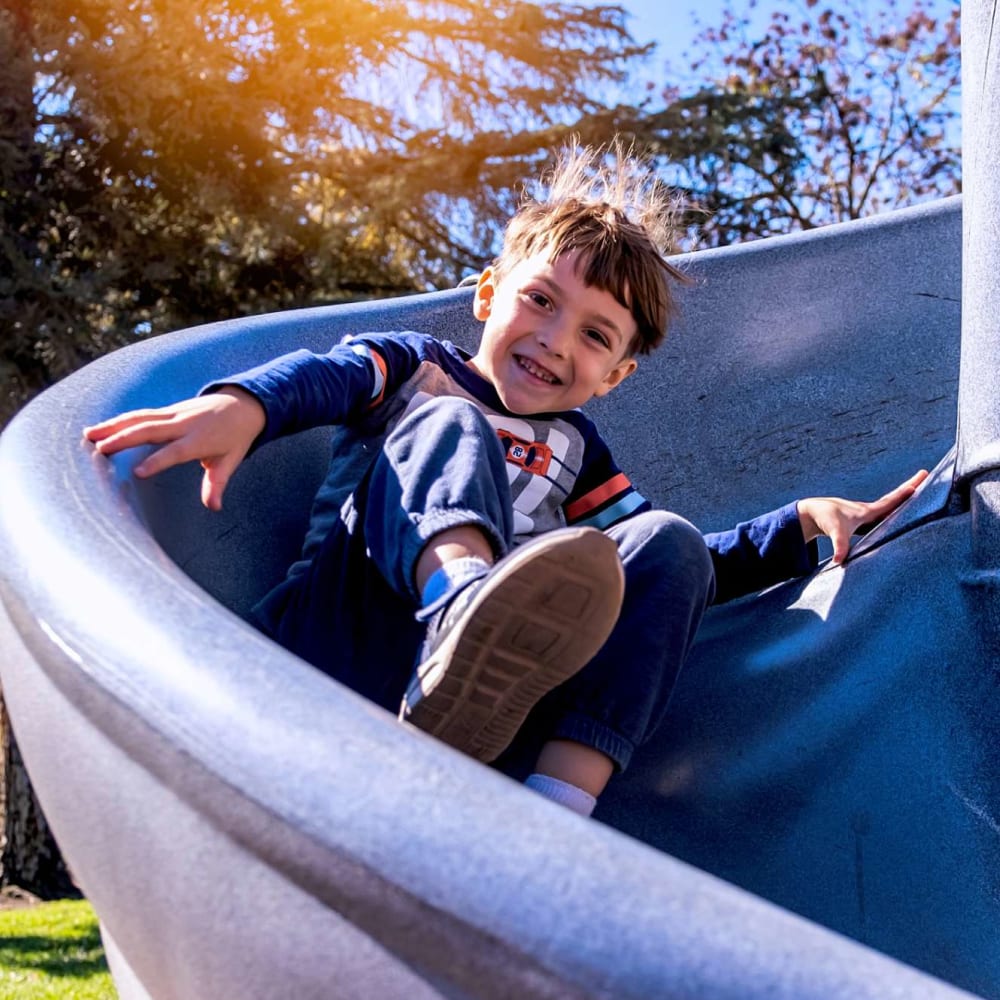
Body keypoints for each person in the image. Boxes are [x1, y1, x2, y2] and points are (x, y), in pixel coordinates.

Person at [84, 142, 927, 818]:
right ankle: (461, 603)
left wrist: (801, 524)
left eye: (597, 337)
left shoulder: (578, 453)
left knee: (662, 541)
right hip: (337, 650)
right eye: (540, 301)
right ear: (487, 296)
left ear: (617, 377)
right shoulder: (421, 370)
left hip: (464, 720)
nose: (557, 341)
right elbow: (326, 378)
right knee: (448, 424)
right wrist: (245, 408)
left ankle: (554, 812)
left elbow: (682, 572)